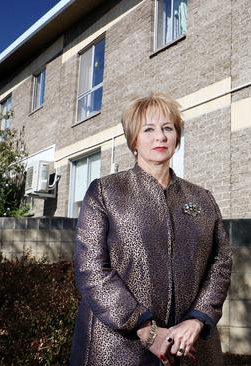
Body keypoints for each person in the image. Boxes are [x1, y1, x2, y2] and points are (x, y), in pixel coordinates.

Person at [70, 93, 232, 365]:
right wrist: (147, 330)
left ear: (177, 137)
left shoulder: (202, 198)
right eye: (149, 129)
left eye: (168, 128)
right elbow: (91, 268)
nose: (161, 137)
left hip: (191, 348)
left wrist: (196, 319)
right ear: (134, 139)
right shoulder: (106, 192)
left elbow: (221, 262)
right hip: (118, 347)